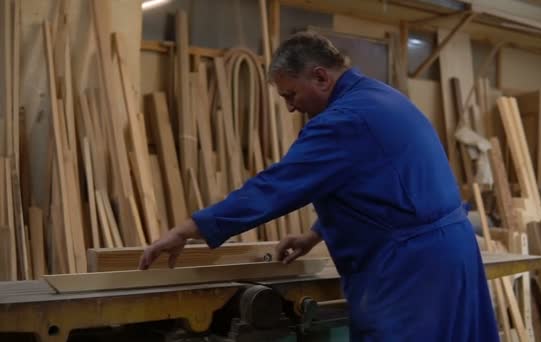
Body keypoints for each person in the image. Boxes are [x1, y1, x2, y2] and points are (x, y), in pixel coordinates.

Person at [139, 32, 499, 341]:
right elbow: (376, 188)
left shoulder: (344, 120)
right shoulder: (379, 97)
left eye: (291, 95)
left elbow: (275, 187)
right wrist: (315, 234)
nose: (292, 108)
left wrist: (190, 228)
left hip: (411, 269)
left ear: (321, 78)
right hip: (448, 255)